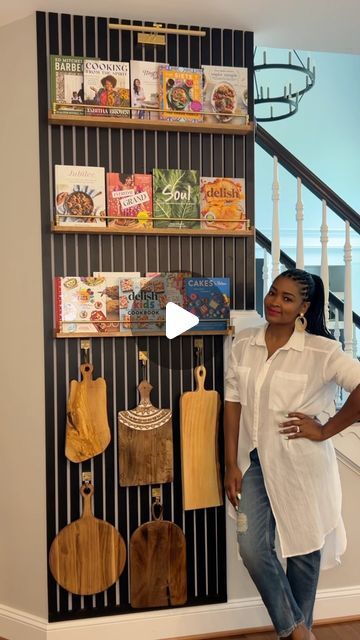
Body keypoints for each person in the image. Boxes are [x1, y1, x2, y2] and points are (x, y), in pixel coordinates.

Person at [224, 268, 360, 640]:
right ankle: (297, 629)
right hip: (254, 462)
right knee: (252, 548)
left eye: (287, 298)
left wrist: (326, 429)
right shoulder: (244, 343)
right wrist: (229, 464)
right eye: (273, 293)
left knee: (304, 548)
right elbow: (232, 403)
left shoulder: (321, 351)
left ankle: (299, 633)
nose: (274, 302)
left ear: (305, 306)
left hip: (303, 465)